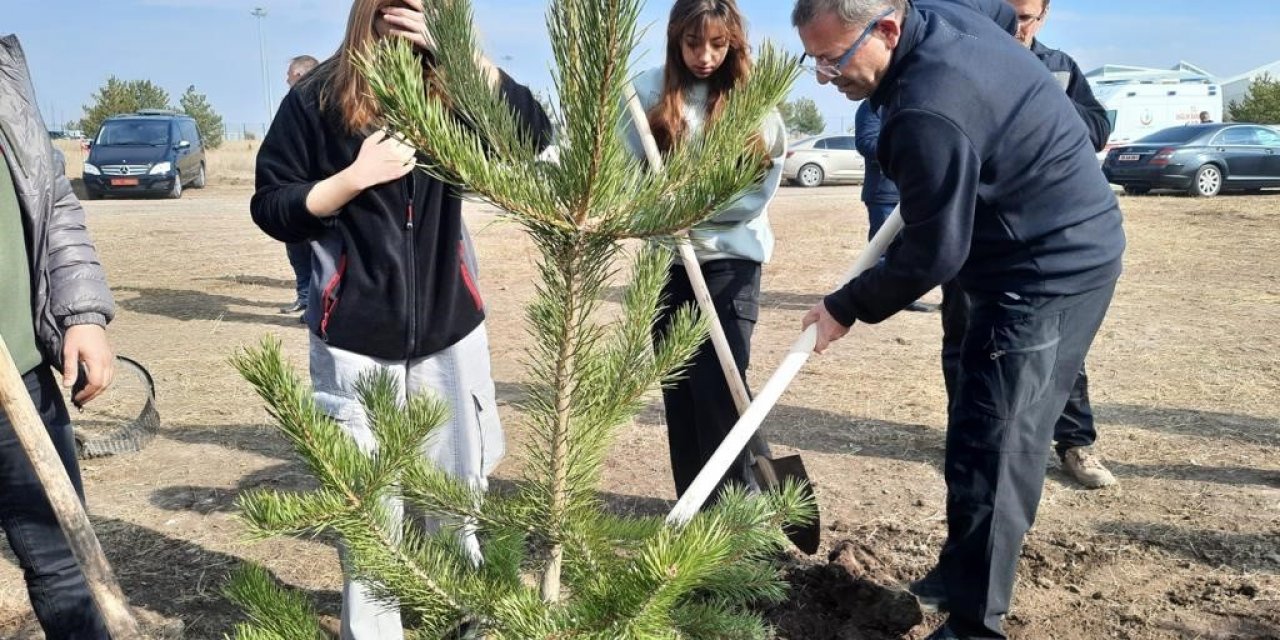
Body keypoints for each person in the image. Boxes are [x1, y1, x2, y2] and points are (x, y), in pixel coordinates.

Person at [792, 1, 1125, 638]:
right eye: (814, 57)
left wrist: (844, 307)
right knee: (976, 424)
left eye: (832, 58)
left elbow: (933, 253)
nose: (824, 76)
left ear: (887, 28)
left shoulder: (926, 108)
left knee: (1000, 445)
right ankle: (957, 574)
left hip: (1050, 267)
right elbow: (1003, 11)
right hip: (1020, 248)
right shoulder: (943, 15)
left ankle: (975, 625)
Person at [250, 1, 551, 638]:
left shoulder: (451, 91)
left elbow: (533, 135)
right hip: (356, 341)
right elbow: (272, 204)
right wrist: (352, 179)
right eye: (395, 4)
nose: (406, 14)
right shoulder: (317, 98)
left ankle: (460, 624)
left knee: (456, 508)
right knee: (372, 526)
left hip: (451, 334)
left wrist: (465, 57)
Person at [940, 0, 1118, 489]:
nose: (1015, 26)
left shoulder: (1058, 69)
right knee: (963, 335)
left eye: (1025, 16)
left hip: (1042, 234)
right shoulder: (964, 63)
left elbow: (1099, 128)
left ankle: (1075, 443)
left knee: (1061, 347)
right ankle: (968, 434)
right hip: (975, 232)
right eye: (1008, 13)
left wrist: (1039, 101)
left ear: (1043, 17)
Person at [623, 0, 788, 500]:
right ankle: (693, 508)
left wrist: (692, 208)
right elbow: (625, 173)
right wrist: (654, 211)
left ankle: (735, 517)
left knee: (721, 390)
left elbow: (759, 186)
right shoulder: (647, 92)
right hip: (666, 263)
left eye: (717, 44)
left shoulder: (751, 100)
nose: (705, 56)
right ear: (676, 39)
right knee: (681, 391)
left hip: (728, 263)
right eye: (694, 43)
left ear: (733, 43)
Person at [1, 33, 117, 640]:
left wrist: (82, 315)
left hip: (18, 375)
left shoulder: (3, 70)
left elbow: (53, 199)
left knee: (67, 566)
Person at [854, 100, 932, 312]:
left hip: (912, 192)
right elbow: (866, 142)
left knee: (911, 248)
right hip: (884, 194)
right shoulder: (872, 106)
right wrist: (904, 148)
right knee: (882, 249)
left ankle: (903, 297)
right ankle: (878, 298)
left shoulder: (909, 101)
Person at [279, 54, 321, 320]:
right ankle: (305, 298)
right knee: (296, 247)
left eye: (291, 76)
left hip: (316, 192)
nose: (286, 80)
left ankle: (317, 305)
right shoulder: (290, 106)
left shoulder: (324, 104)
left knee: (318, 249)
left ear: (303, 76)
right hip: (292, 190)